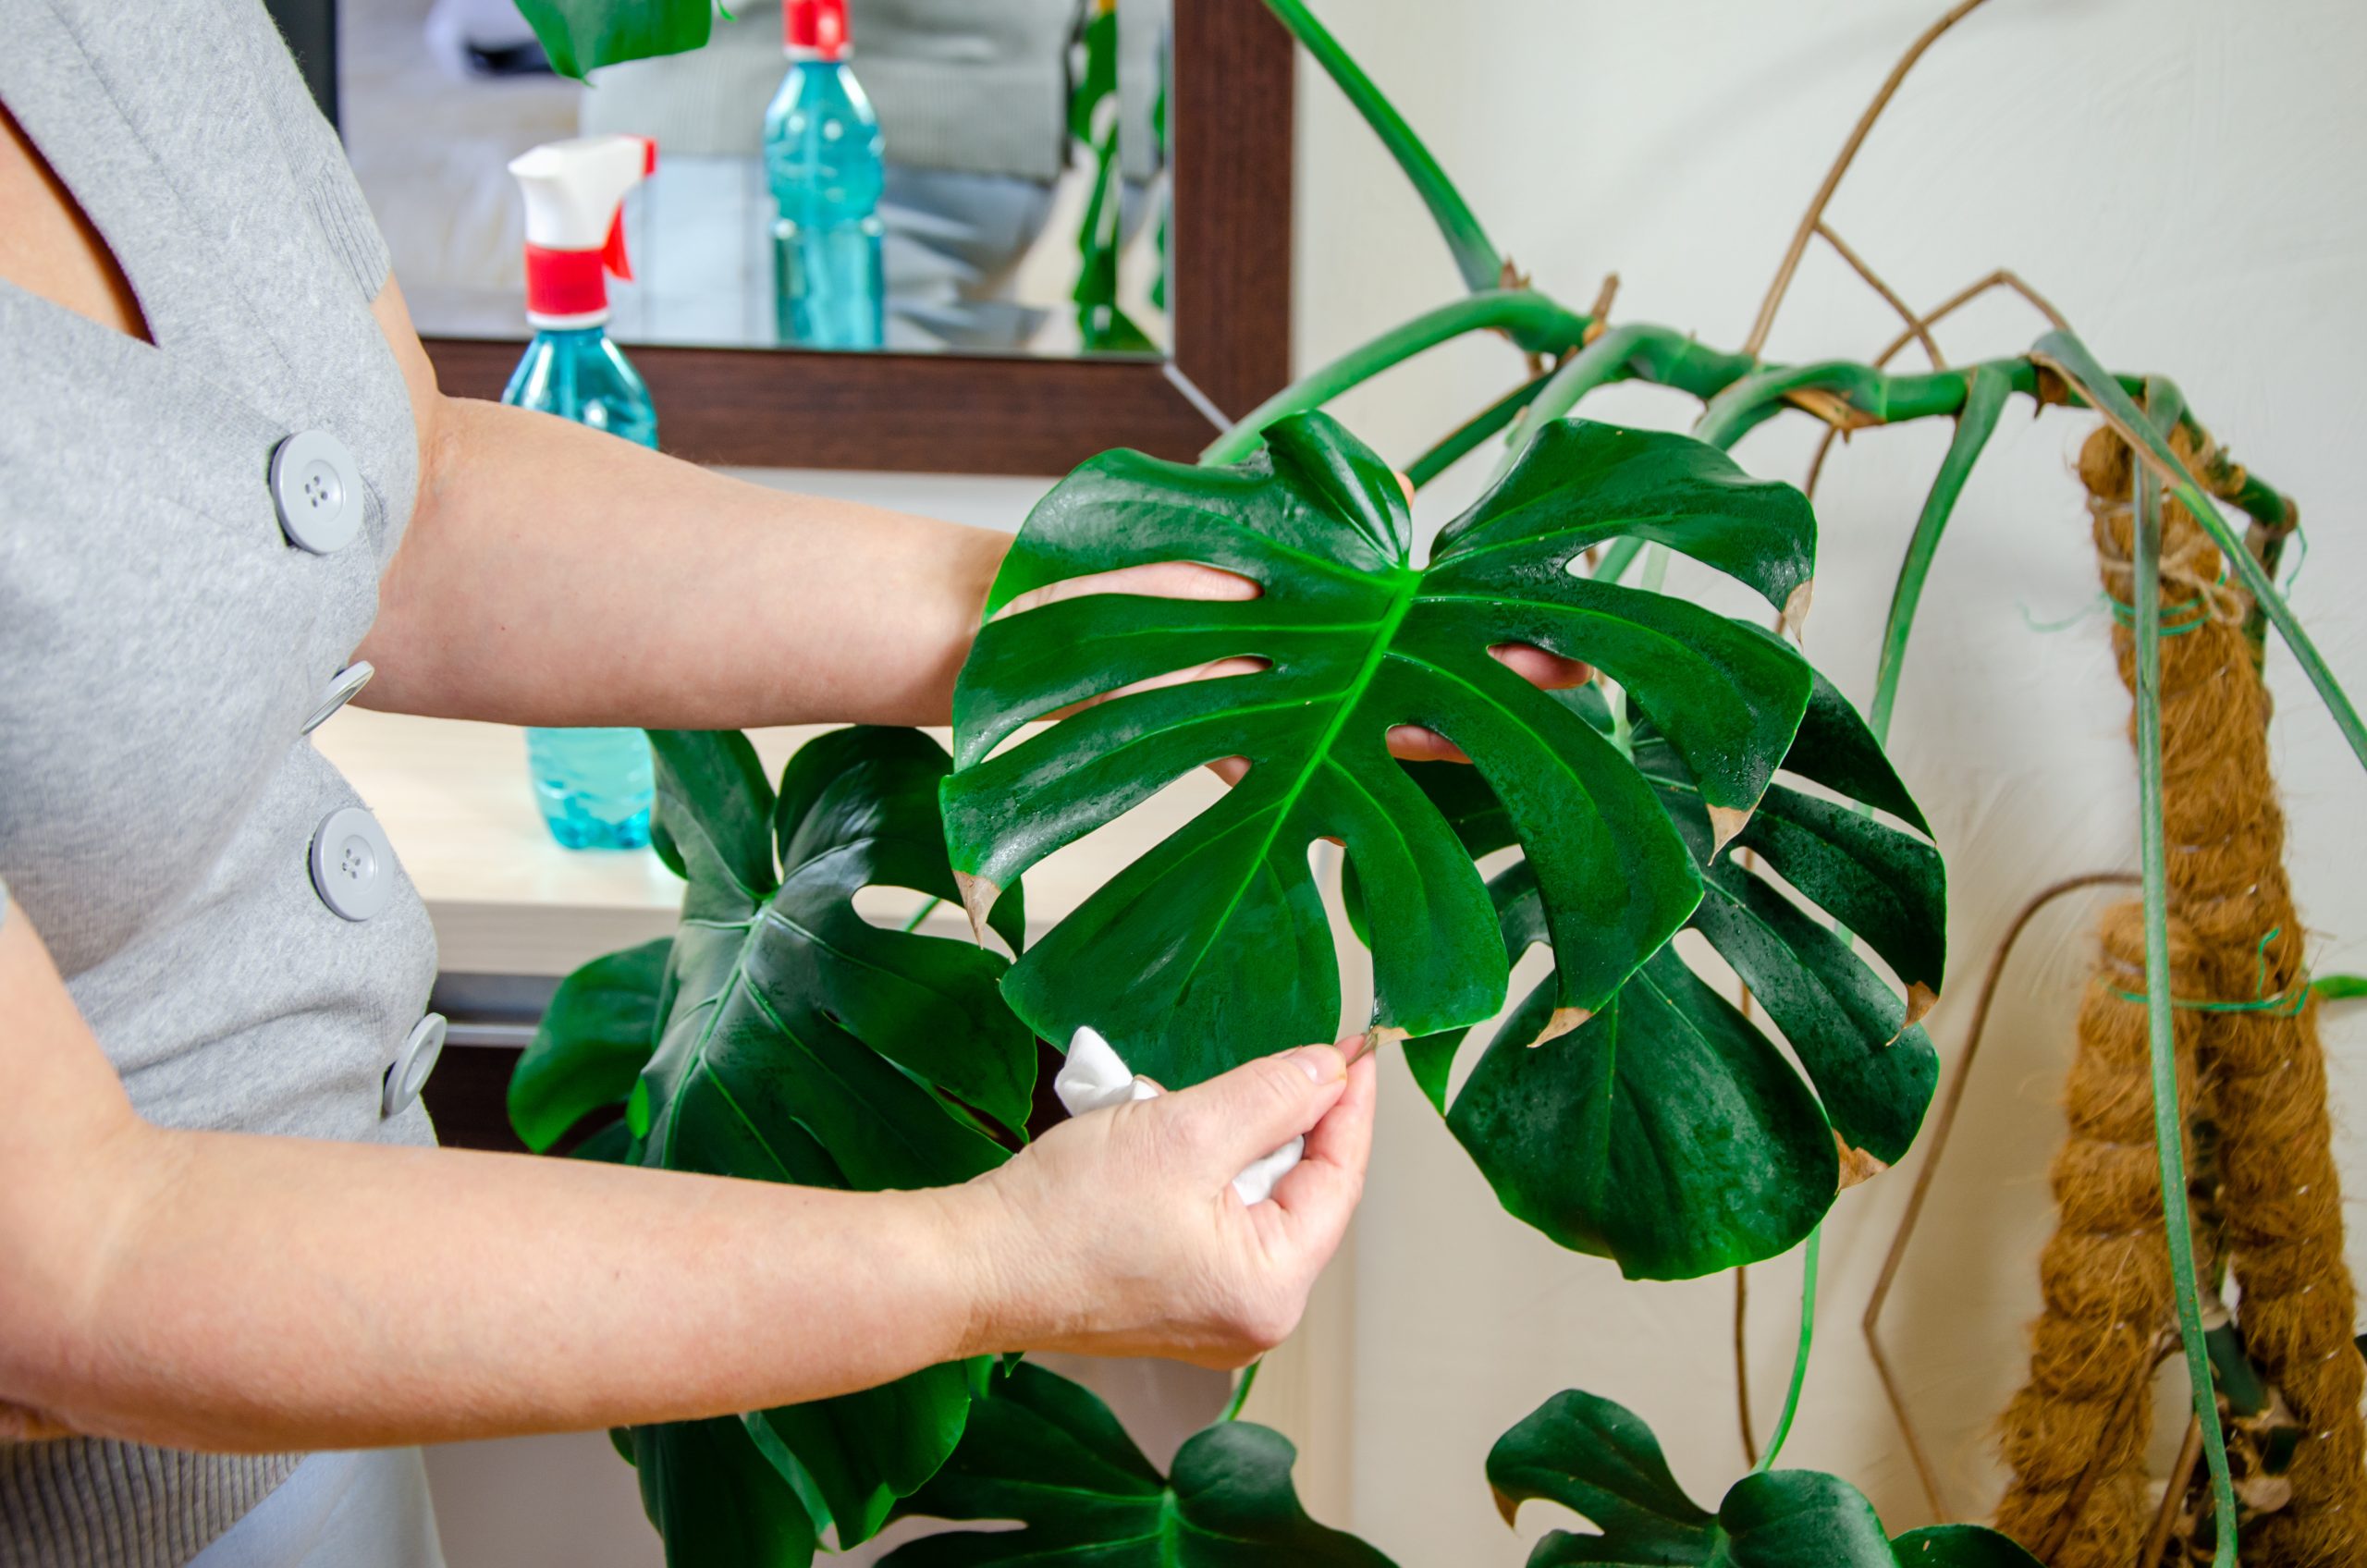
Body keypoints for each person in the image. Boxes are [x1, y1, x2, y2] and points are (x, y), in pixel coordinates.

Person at [0, 2, 1578, 1562]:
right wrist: (1001, 1259)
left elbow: (424, 512)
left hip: (288, 1460)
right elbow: (79, 1266)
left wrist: (1156, 631)